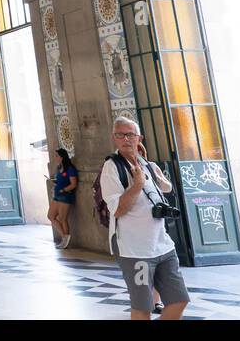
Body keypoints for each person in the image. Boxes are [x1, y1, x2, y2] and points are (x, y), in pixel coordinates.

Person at [100, 117, 189, 320]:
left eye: (130, 134)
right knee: (143, 308)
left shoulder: (145, 163)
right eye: (120, 134)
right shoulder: (112, 167)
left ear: (139, 137)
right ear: (114, 138)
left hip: (162, 245)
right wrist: (137, 184)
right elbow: (118, 210)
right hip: (134, 249)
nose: (126, 139)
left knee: (178, 301)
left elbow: (166, 189)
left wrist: (154, 172)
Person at [48, 148, 78, 248]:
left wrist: (64, 189)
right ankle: (64, 237)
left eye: (56, 156)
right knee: (51, 216)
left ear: (62, 157)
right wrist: (56, 182)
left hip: (65, 196)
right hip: (57, 196)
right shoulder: (59, 168)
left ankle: (65, 240)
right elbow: (61, 180)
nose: (55, 158)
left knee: (62, 218)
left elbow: (73, 184)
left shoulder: (70, 169)